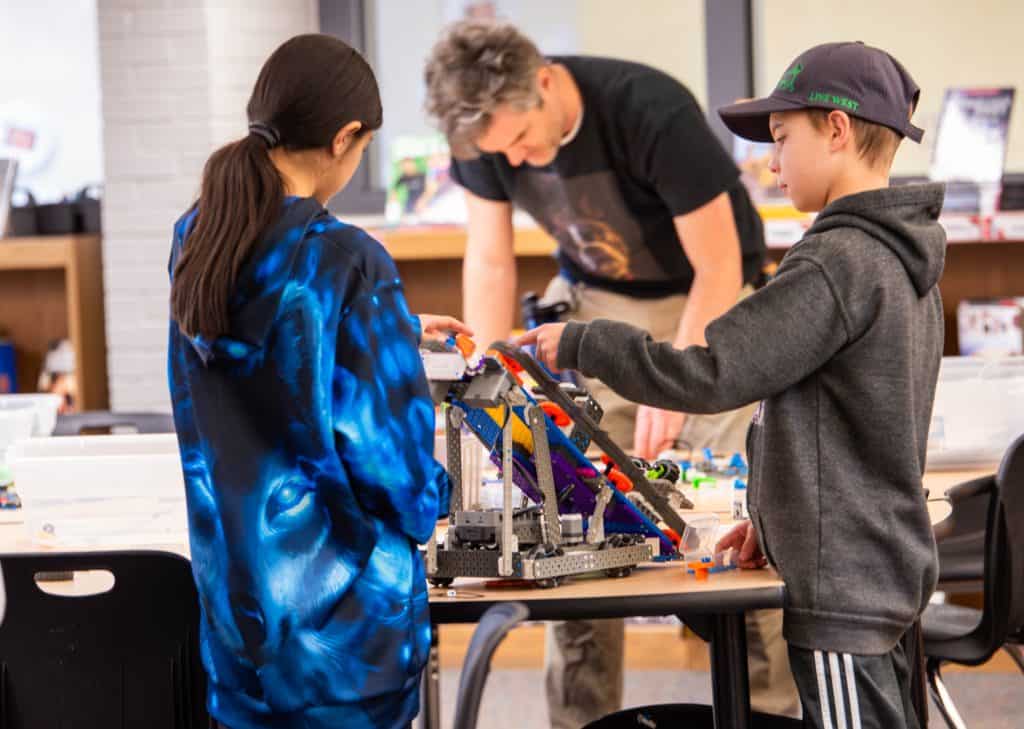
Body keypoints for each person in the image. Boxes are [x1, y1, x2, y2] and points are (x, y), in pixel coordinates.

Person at [521, 40, 944, 729]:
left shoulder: (836, 262)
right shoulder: (901, 258)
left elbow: (713, 370)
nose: (770, 163)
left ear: (837, 130)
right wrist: (782, 520)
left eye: (782, 139)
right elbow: (852, 433)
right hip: (876, 568)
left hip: (841, 591)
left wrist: (583, 340)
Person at [424, 20, 799, 726]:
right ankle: (581, 721)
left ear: (541, 79)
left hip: (709, 310)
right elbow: (491, 257)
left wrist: (678, 378)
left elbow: (719, 264)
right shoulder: (487, 134)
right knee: (573, 531)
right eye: (503, 153)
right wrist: (486, 371)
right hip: (595, 321)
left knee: (741, 527)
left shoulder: (647, 108)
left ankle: (773, 714)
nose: (520, 159)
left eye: (523, 140)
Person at [167, 34, 469, 729]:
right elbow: (394, 472)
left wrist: (387, 327)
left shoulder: (199, 237)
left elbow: (250, 360)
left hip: (239, 629)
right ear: (343, 138)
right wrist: (440, 496)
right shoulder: (351, 260)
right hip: (344, 643)